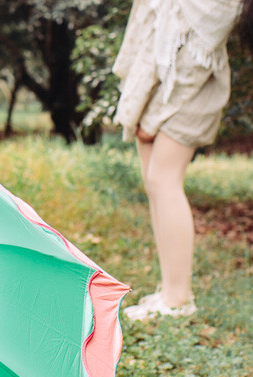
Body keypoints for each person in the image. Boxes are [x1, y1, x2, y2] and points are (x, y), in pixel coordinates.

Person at [113, 0, 253, 321]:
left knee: (164, 181)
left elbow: (196, 59)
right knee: (153, 182)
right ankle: (169, 289)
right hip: (156, 84)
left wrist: (154, 115)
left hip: (187, 94)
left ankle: (178, 298)